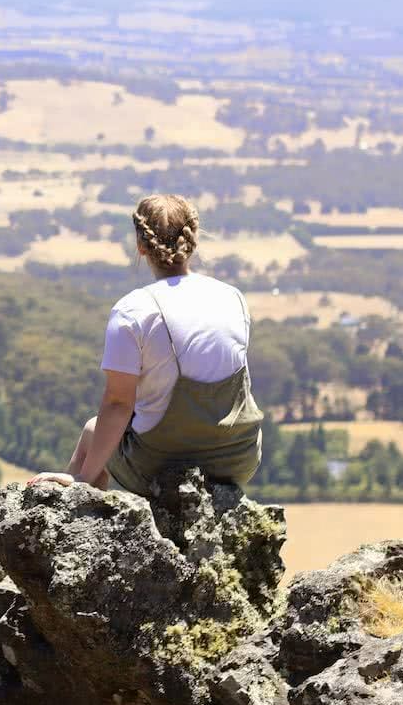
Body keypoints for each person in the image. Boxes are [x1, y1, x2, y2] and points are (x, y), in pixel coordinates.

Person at [32, 193, 262, 494]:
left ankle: (80, 507)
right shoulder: (233, 297)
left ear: (141, 246)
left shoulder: (132, 311)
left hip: (161, 465)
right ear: (192, 242)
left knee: (93, 431)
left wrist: (83, 481)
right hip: (238, 460)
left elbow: (118, 404)